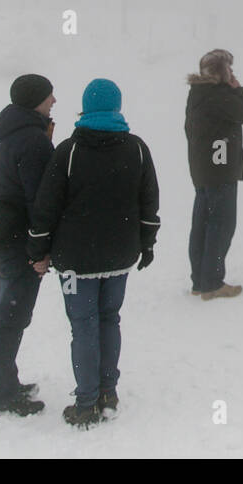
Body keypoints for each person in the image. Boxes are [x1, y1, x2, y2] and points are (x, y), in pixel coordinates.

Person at [29, 78, 160, 428]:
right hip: (120, 256)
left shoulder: (69, 151)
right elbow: (149, 201)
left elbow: (46, 207)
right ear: (117, 107)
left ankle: (86, 402)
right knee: (110, 319)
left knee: (83, 326)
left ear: (85, 108)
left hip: (75, 261)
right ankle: (108, 392)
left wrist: (38, 247)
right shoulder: (136, 148)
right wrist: (147, 242)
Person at [0, 73, 55, 417]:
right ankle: (1, 394)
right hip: (17, 241)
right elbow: (39, 200)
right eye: (49, 96)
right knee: (11, 318)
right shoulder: (32, 140)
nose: (54, 101)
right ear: (36, 100)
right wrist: (39, 250)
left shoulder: (6, 133)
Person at [185, 49, 243, 300]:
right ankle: (212, 283)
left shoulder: (198, 94)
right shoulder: (220, 96)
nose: (233, 74)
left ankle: (200, 281)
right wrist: (239, 89)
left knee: (202, 225)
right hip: (221, 170)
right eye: (230, 69)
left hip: (203, 170)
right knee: (221, 224)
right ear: (221, 72)